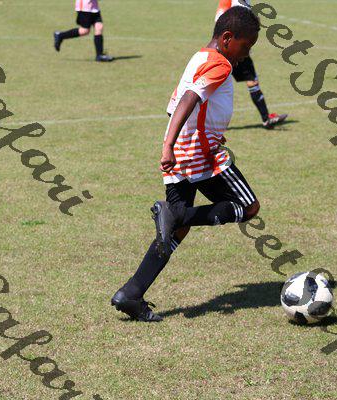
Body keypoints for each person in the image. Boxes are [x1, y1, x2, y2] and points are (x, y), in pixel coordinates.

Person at [111, 6, 261, 322]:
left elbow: (175, 105)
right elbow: (190, 98)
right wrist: (174, 143)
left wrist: (182, 139)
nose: (246, 54)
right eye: (245, 46)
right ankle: (175, 213)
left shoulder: (199, 57)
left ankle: (131, 294)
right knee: (247, 207)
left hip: (181, 152)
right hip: (199, 155)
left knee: (174, 231)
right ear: (227, 38)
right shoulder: (220, 63)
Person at [217, 0, 287, 129]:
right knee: (216, 85)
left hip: (241, 50)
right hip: (230, 49)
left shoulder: (245, 1)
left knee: (251, 81)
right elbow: (219, 23)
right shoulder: (228, 1)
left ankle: (266, 119)